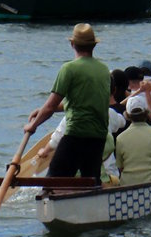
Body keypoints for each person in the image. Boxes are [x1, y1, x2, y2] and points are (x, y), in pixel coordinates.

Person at [24, 22, 111, 181]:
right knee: (90, 182)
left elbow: (49, 107)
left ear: (72, 44)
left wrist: (33, 125)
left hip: (76, 133)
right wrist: (43, 111)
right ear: (93, 46)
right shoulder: (104, 70)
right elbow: (83, 103)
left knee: (54, 183)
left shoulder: (69, 69)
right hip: (98, 136)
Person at [115, 93, 151, 185]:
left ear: (127, 115)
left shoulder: (120, 138)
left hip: (128, 184)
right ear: (146, 112)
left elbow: (120, 167)